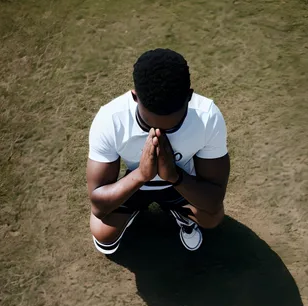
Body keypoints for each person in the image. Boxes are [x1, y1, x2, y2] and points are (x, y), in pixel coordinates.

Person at [87, 48, 230, 253]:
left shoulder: (208, 117)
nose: (160, 134)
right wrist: (141, 175)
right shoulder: (110, 120)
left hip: (181, 184)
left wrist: (173, 176)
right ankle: (134, 210)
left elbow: (214, 199)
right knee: (103, 233)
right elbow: (98, 205)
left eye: (173, 127)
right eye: (147, 125)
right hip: (134, 186)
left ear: (189, 97)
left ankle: (179, 213)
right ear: (135, 97)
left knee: (212, 218)